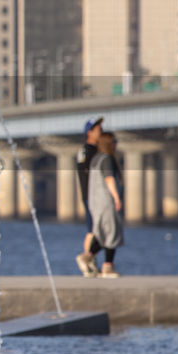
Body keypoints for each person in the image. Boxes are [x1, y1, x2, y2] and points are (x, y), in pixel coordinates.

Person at [86, 131, 124, 278]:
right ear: (109, 144)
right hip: (106, 201)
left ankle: (88, 256)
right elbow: (109, 179)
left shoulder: (96, 159)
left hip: (95, 201)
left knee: (101, 233)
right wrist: (116, 197)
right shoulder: (107, 159)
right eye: (114, 141)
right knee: (112, 233)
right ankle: (107, 266)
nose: (116, 144)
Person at [75, 116, 104, 277]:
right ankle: (86, 258)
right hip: (93, 195)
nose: (101, 131)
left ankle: (89, 263)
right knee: (97, 229)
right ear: (90, 132)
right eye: (98, 129)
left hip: (89, 195)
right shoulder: (91, 152)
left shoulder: (84, 151)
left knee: (92, 229)